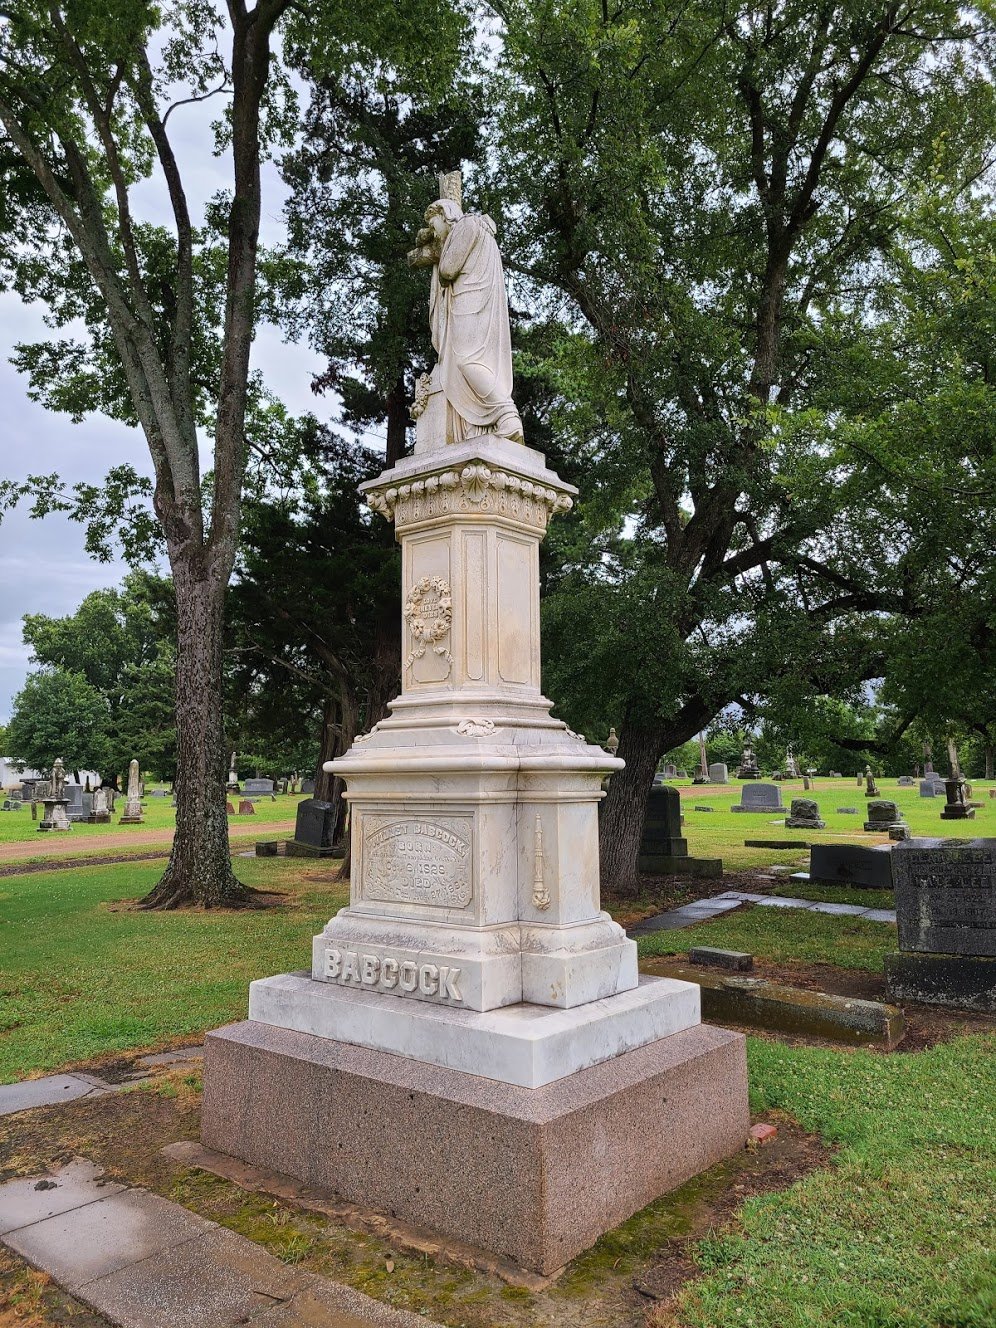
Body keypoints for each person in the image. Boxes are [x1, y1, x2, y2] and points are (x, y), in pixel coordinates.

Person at [411, 196, 523, 444]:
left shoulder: (467, 225)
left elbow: (448, 269)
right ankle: (479, 424)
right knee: (467, 361)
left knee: (465, 360)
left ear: (445, 214)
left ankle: (507, 416)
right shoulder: (479, 227)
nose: (434, 231)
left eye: (433, 224)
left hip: (471, 303)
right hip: (476, 301)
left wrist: (437, 250)